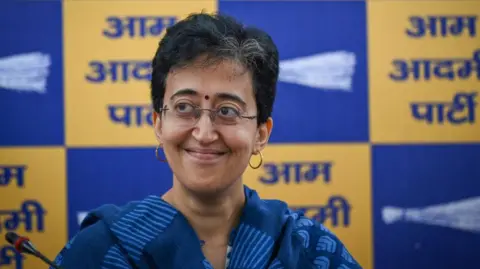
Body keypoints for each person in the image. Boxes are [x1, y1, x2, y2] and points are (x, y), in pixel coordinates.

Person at [51, 12, 363, 269]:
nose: (204, 133)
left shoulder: (309, 251)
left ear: (261, 134)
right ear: (158, 123)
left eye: (227, 111)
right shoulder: (100, 251)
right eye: (184, 107)